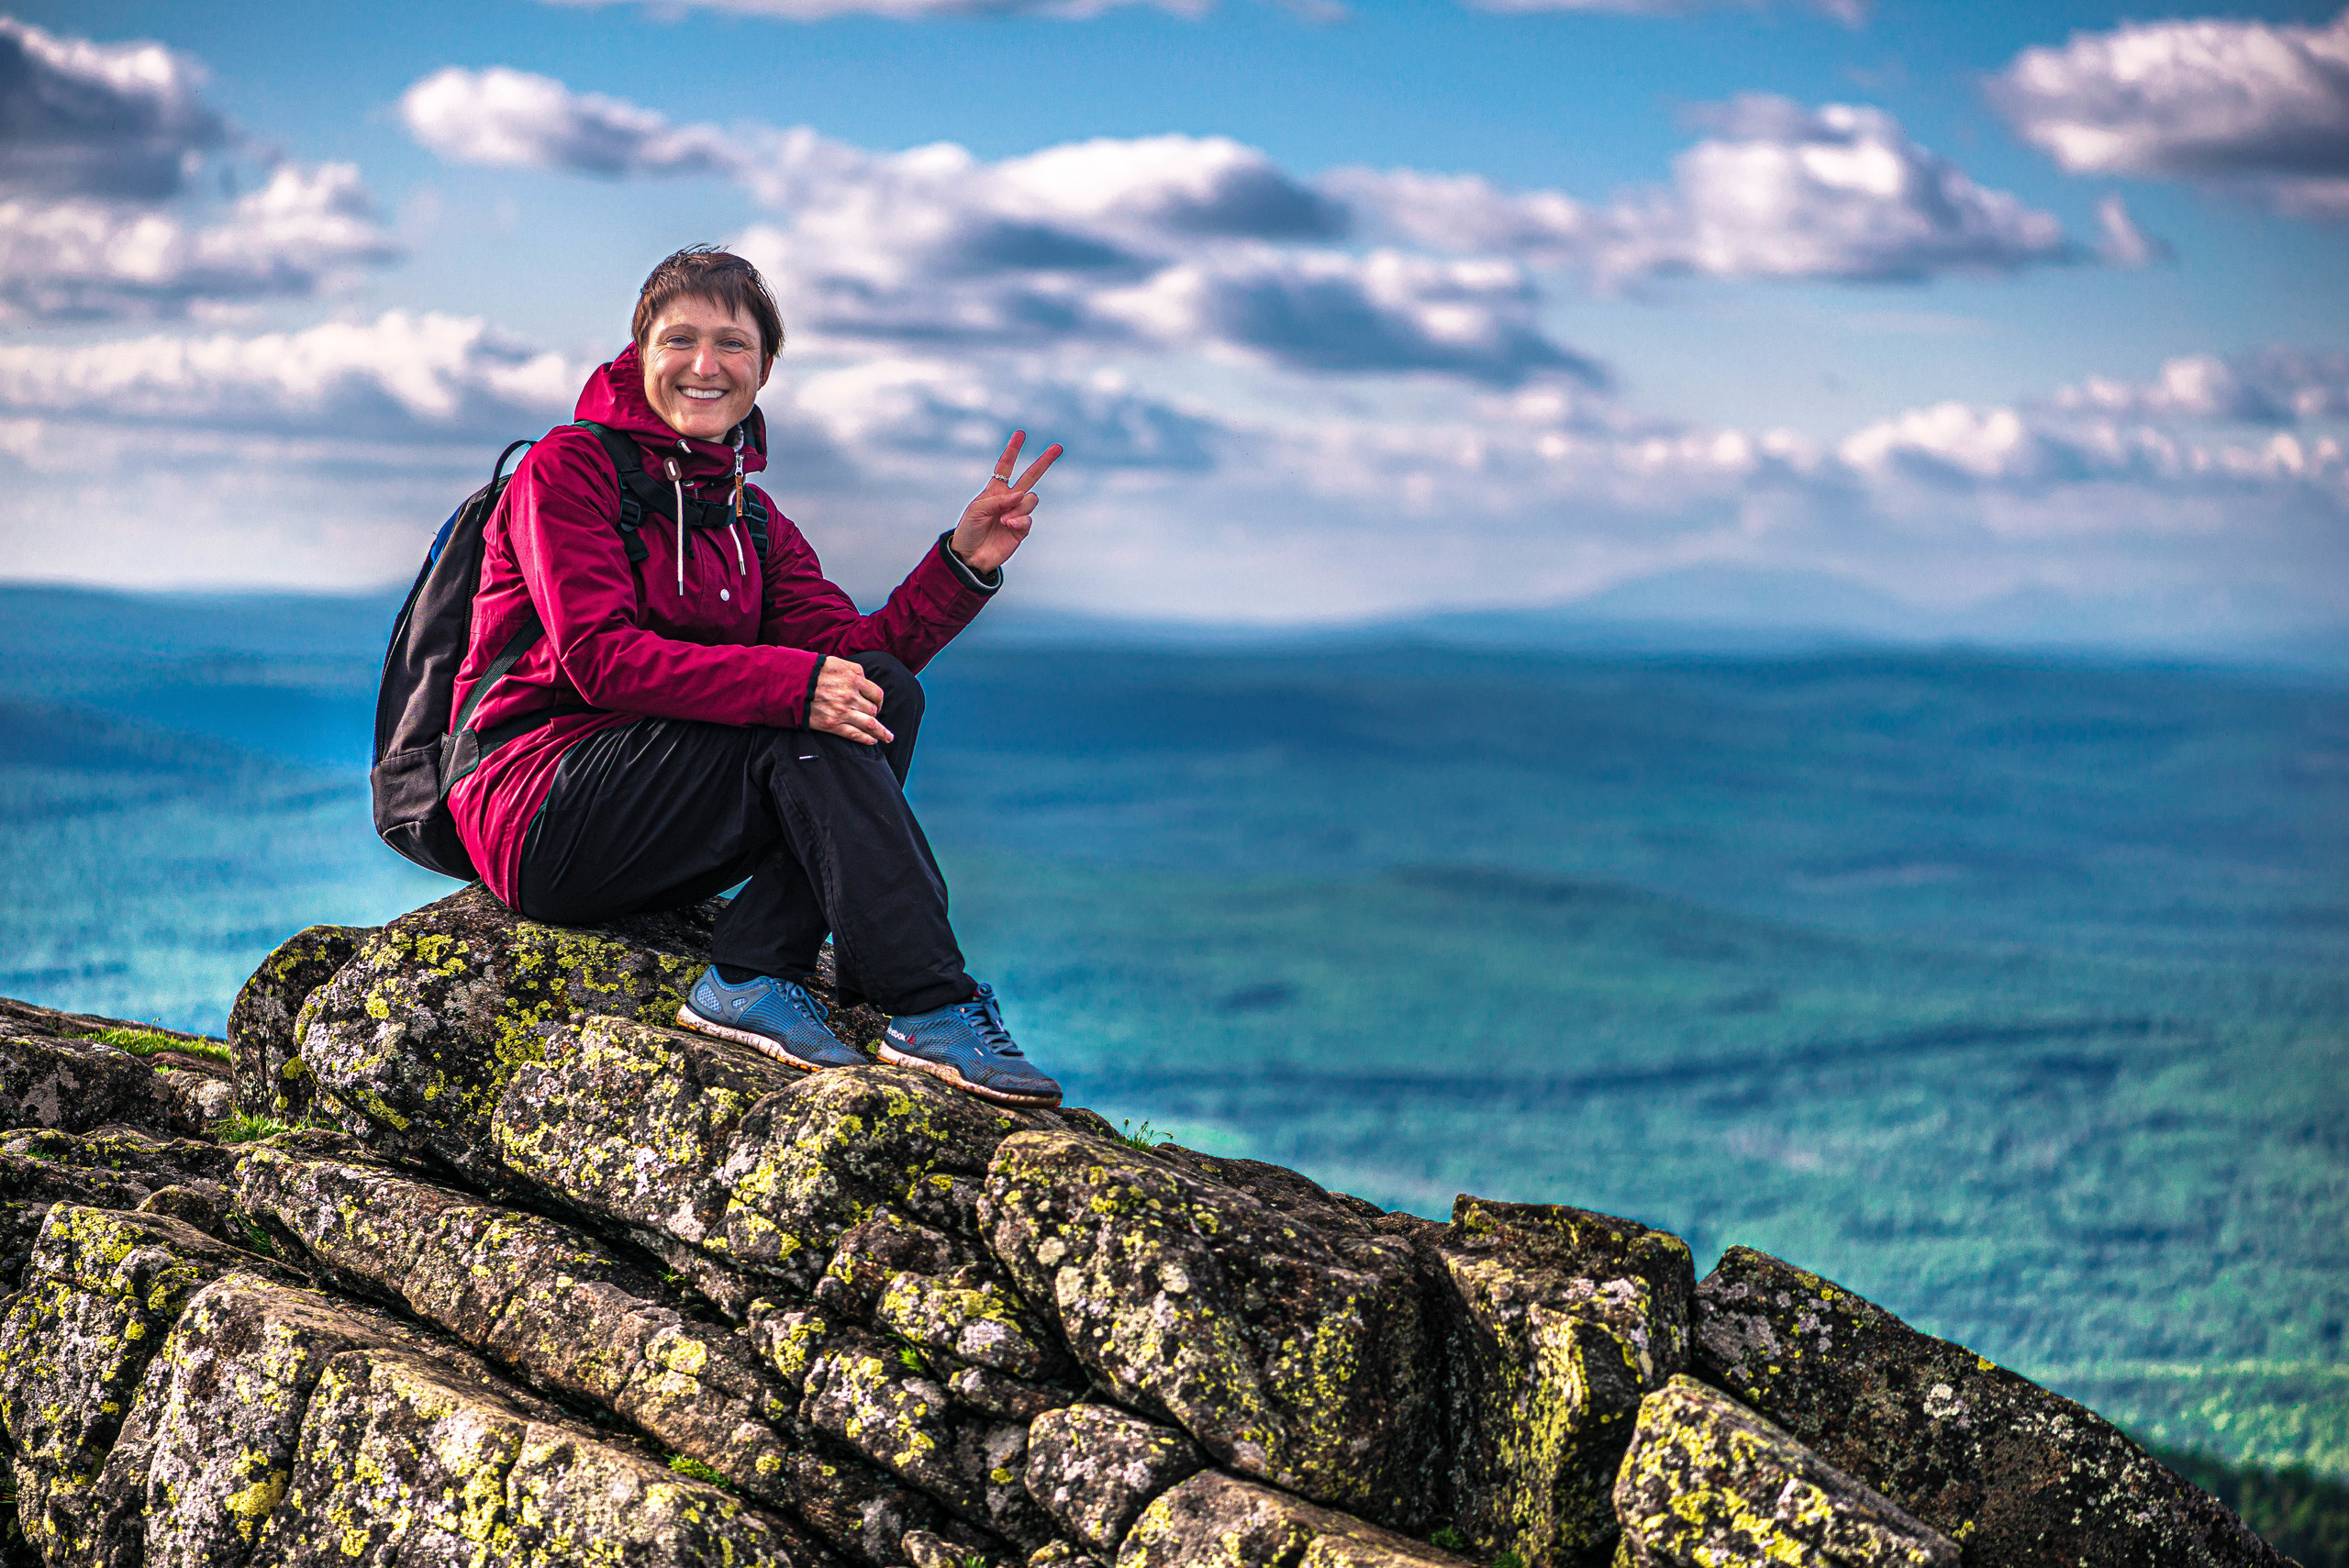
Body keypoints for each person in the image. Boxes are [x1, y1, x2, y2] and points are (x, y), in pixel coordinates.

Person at [445, 245, 1065, 1108]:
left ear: (765, 368)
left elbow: (852, 658)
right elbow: (598, 657)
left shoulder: (749, 515)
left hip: (652, 814)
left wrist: (960, 565)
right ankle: (929, 1002)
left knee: (881, 690)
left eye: (732, 345)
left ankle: (752, 972)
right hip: (538, 801)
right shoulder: (567, 471)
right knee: (804, 705)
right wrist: (791, 688)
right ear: (640, 351)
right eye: (680, 340)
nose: (706, 365)